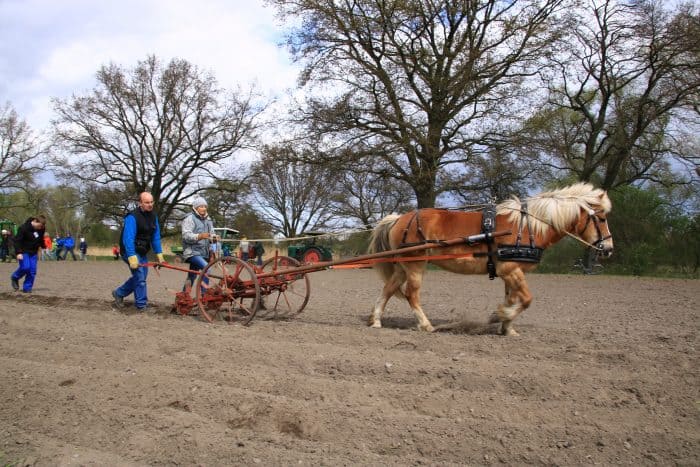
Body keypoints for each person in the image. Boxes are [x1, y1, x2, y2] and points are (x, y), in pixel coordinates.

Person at [111, 192, 165, 311]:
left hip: (142, 251)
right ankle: (141, 305)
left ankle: (119, 293)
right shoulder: (132, 217)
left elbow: (155, 237)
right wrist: (131, 257)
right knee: (140, 277)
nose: (150, 205)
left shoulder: (153, 217)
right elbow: (128, 239)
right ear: (140, 203)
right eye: (147, 202)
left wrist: (160, 255)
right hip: (129, 250)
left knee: (140, 277)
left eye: (152, 202)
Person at [181, 196, 215, 290]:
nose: (203, 208)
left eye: (205, 206)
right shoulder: (189, 218)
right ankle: (204, 297)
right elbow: (186, 236)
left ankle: (184, 296)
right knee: (207, 269)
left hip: (204, 253)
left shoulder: (208, 220)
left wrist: (214, 239)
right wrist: (199, 236)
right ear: (195, 208)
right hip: (192, 252)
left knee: (192, 276)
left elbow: (211, 235)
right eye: (201, 206)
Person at [10, 215, 46, 293]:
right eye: (39, 226)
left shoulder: (41, 229)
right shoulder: (23, 228)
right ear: (35, 221)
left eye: (41, 227)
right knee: (25, 267)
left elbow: (41, 238)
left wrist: (43, 246)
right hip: (23, 251)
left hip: (33, 252)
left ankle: (27, 288)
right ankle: (15, 277)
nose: (40, 228)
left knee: (32, 271)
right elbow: (17, 241)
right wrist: (18, 253)